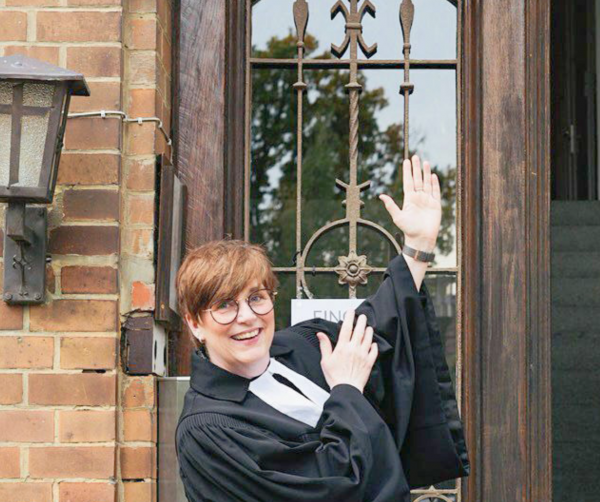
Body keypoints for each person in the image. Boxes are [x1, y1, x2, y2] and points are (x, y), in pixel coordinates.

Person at [174, 155, 470, 502]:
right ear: (195, 323)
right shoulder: (207, 430)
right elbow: (330, 488)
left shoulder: (300, 345)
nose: (247, 316)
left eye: (256, 297)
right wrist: (346, 391)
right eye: (224, 305)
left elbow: (376, 326)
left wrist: (418, 247)